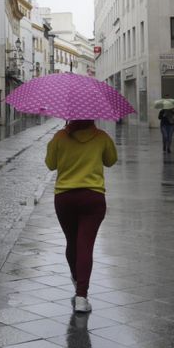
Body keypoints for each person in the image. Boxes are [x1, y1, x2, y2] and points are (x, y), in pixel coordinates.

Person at [45, 119, 118, 313]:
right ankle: (81, 296)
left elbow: (50, 164)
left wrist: (56, 145)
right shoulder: (101, 137)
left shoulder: (60, 137)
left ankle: (78, 279)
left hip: (64, 198)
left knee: (72, 242)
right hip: (93, 198)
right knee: (85, 245)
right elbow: (111, 161)